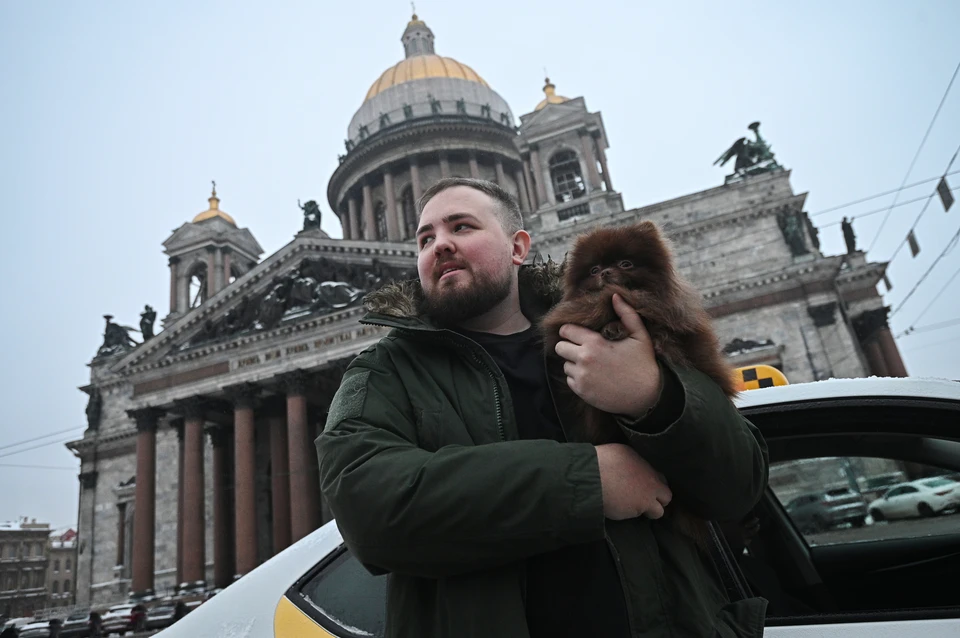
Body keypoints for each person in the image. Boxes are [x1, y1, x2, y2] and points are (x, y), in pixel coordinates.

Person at [317, 177, 770, 638]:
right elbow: (368, 508)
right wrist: (586, 480)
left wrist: (654, 397)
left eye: (462, 227)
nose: (441, 245)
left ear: (518, 247)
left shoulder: (623, 327)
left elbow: (739, 486)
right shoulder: (383, 372)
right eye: (426, 238)